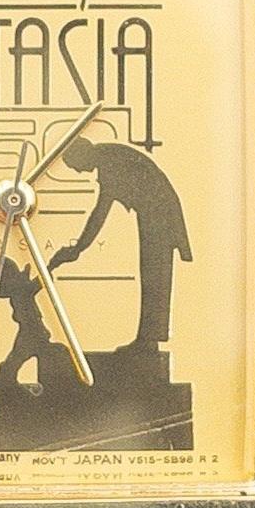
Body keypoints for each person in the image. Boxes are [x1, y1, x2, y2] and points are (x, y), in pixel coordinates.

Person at [47, 138, 192, 353]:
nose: (78, 171)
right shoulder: (108, 157)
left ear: (83, 154)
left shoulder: (109, 162)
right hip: (154, 216)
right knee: (153, 276)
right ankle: (148, 340)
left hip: (159, 217)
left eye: (75, 165)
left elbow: (100, 212)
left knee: (155, 278)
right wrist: (78, 249)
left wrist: (78, 248)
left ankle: (149, 342)